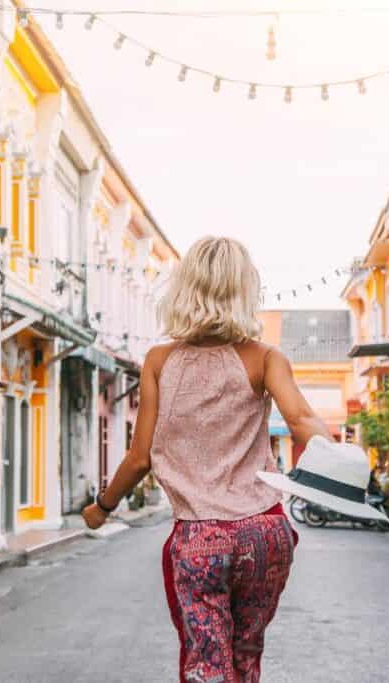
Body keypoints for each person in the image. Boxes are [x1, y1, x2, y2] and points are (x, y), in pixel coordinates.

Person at [82, 236, 331, 683]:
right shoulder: (266, 358)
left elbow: (140, 458)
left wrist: (102, 508)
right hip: (265, 534)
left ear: (184, 288)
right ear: (244, 290)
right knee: (245, 656)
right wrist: (348, 472)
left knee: (207, 664)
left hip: (200, 537)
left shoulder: (160, 361)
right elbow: (302, 419)